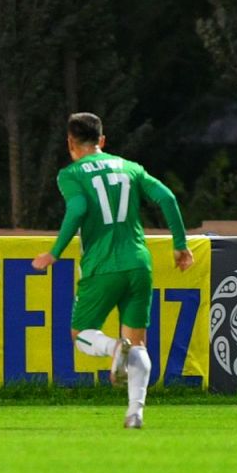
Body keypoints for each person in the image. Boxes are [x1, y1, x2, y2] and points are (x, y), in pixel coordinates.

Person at [31, 112, 192, 429]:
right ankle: (135, 412)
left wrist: (55, 252)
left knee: (81, 335)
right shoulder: (130, 168)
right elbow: (168, 197)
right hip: (137, 262)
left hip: (102, 266)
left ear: (70, 143)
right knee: (139, 343)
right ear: (102, 141)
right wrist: (180, 244)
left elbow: (78, 208)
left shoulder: (71, 173)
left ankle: (113, 348)